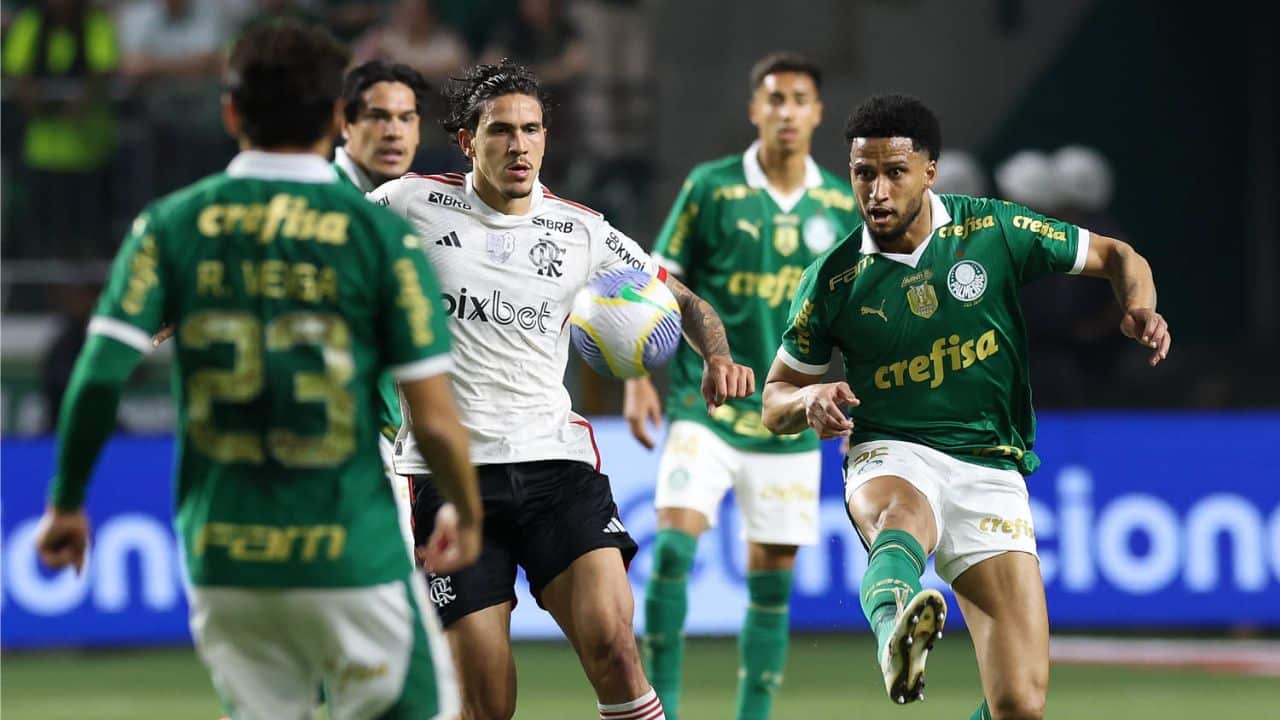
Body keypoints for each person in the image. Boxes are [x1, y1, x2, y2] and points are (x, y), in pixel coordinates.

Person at [34, 19, 483, 720]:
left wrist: (66, 503)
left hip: (224, 555)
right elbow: (433, 413)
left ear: (231, 111)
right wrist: (464, 506)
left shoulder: (171, 224)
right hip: (350, 544)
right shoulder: (380, 235)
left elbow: (96, 376)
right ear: (337, 118)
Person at [760, 94, 1170, 719]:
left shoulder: (993, 230)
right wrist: (810, 396)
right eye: (863, 173)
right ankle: (893, 632)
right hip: (889, 449)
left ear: (929, 171)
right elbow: (773, 401)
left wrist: (1139, 305)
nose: (876, 190)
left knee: (1020, 705)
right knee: (903, 515)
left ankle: (905, 629)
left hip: (989, 466)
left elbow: (1120, 256)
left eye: (894, 172)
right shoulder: (833, 280)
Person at [370, 59, 755, 720]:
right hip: (447, 478)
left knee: (614, 645)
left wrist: (717, 355)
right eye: (500, 132)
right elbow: (317, 242)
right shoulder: (408, 204)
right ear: (467, 141)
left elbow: (681, 300)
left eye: (532, 129)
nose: (519, 145)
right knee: (486, 702)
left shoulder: (581, 230)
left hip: (557, 467)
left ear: (547, 137)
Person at [623, 52, 859, 720]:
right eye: (774, 98)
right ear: (754, 109)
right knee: (671, 548)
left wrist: (863, 413)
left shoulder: (840, 205)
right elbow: (651, 283)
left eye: (799, 99)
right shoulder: (711, 187)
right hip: (706, 407)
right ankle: (658, 708)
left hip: (787, 421)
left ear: (817, 112)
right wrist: (638, 376)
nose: (785, 111)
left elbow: (861, 320)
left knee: (770, 584)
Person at [331, 58, 434, 557]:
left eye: (406, 117)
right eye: (378, 116)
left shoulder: (420, 208)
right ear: (344, 123)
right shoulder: (318, 201)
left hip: (405, 441)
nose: (393, 131)